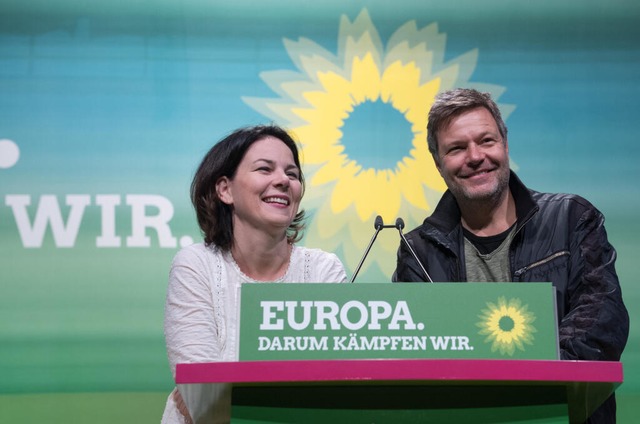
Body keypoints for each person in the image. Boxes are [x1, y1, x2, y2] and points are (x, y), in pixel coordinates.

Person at [393, 88, 629, 423]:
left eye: (486, 141)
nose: (475, 156)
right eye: (457, 148)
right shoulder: (417, 252)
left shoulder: (573, 219)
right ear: (438, 164)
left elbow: (601, 326)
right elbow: (417, 361)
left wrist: (525, 386)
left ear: (505, 143)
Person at [161, 124, 347, 424]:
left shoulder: (324, 270)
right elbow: (203, 397)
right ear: (225, 189)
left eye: (292, 174)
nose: (283, 181)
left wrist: (235, 387)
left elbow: (333, 393)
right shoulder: (196, 265)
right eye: (265, 169)